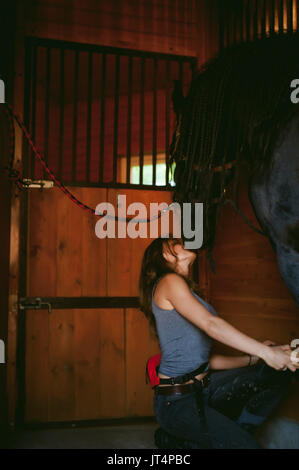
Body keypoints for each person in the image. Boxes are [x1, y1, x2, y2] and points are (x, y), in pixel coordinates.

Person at [138, 235, 297, 449]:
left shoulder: (188, 292)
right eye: (177, 242)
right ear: (166, 253)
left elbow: (206, 361)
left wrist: (256, 358)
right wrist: (267, 353)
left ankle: (225, 435)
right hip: (176, 403)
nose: (184, 243)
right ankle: (188, 441)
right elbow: (211, 324)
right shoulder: (169, 281)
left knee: (275, 375)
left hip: (204, 389)